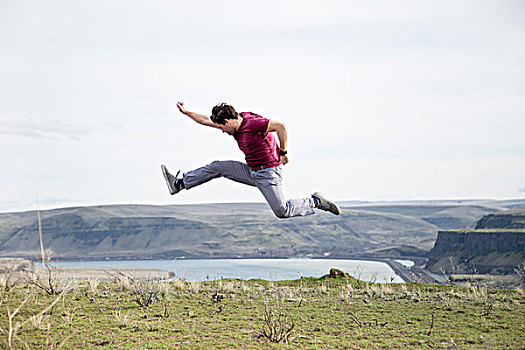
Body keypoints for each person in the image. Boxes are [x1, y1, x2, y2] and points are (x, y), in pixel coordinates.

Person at [161, 102, 340, 218]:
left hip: (269, 174)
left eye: (222, 127)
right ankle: (179, 183)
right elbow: (206, 120)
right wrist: (186, 112)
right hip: (251, 170)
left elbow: (280, 126)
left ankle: (316, 201)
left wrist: (284, 151)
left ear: (228, 121)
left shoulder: (253, 123)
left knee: (282, 211)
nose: (222, 131)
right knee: (217, 167)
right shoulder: (234, 123)